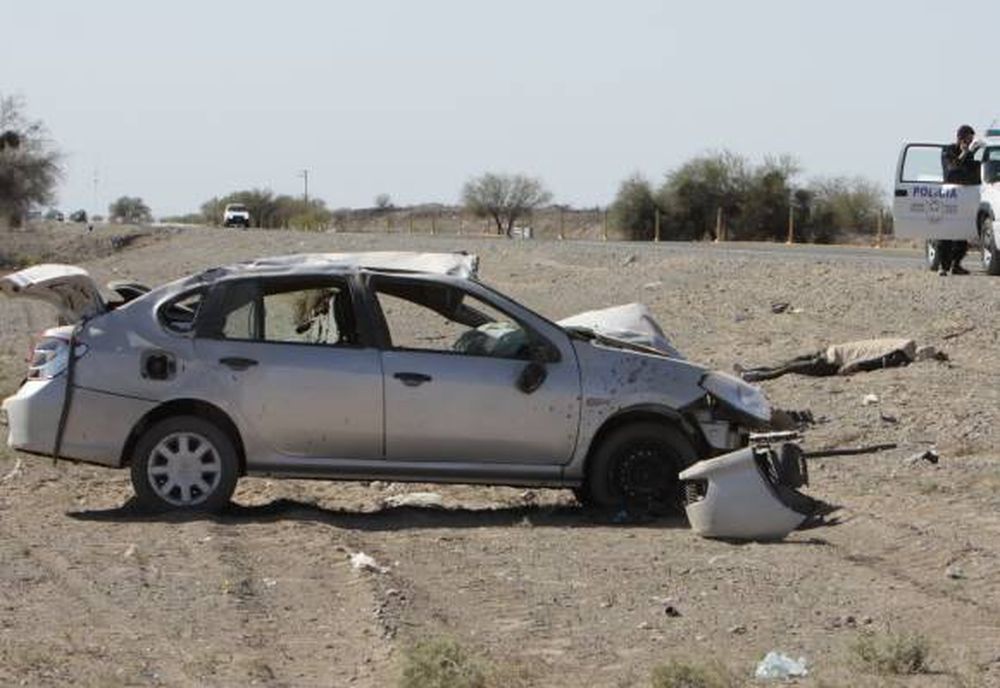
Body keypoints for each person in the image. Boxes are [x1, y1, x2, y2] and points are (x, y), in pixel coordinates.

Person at [938, 125, 980, 275]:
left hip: (965, 197)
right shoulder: (948, 151)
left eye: (971, 141)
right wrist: (963, 153)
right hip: (950, 196)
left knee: (962, 233)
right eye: (967, 140)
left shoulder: (970, 153)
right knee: (946, 233)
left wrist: (974, 152)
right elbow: (952, 171)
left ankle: (956, 265)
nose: (969, 143)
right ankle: (943, 266)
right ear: (960, 139)